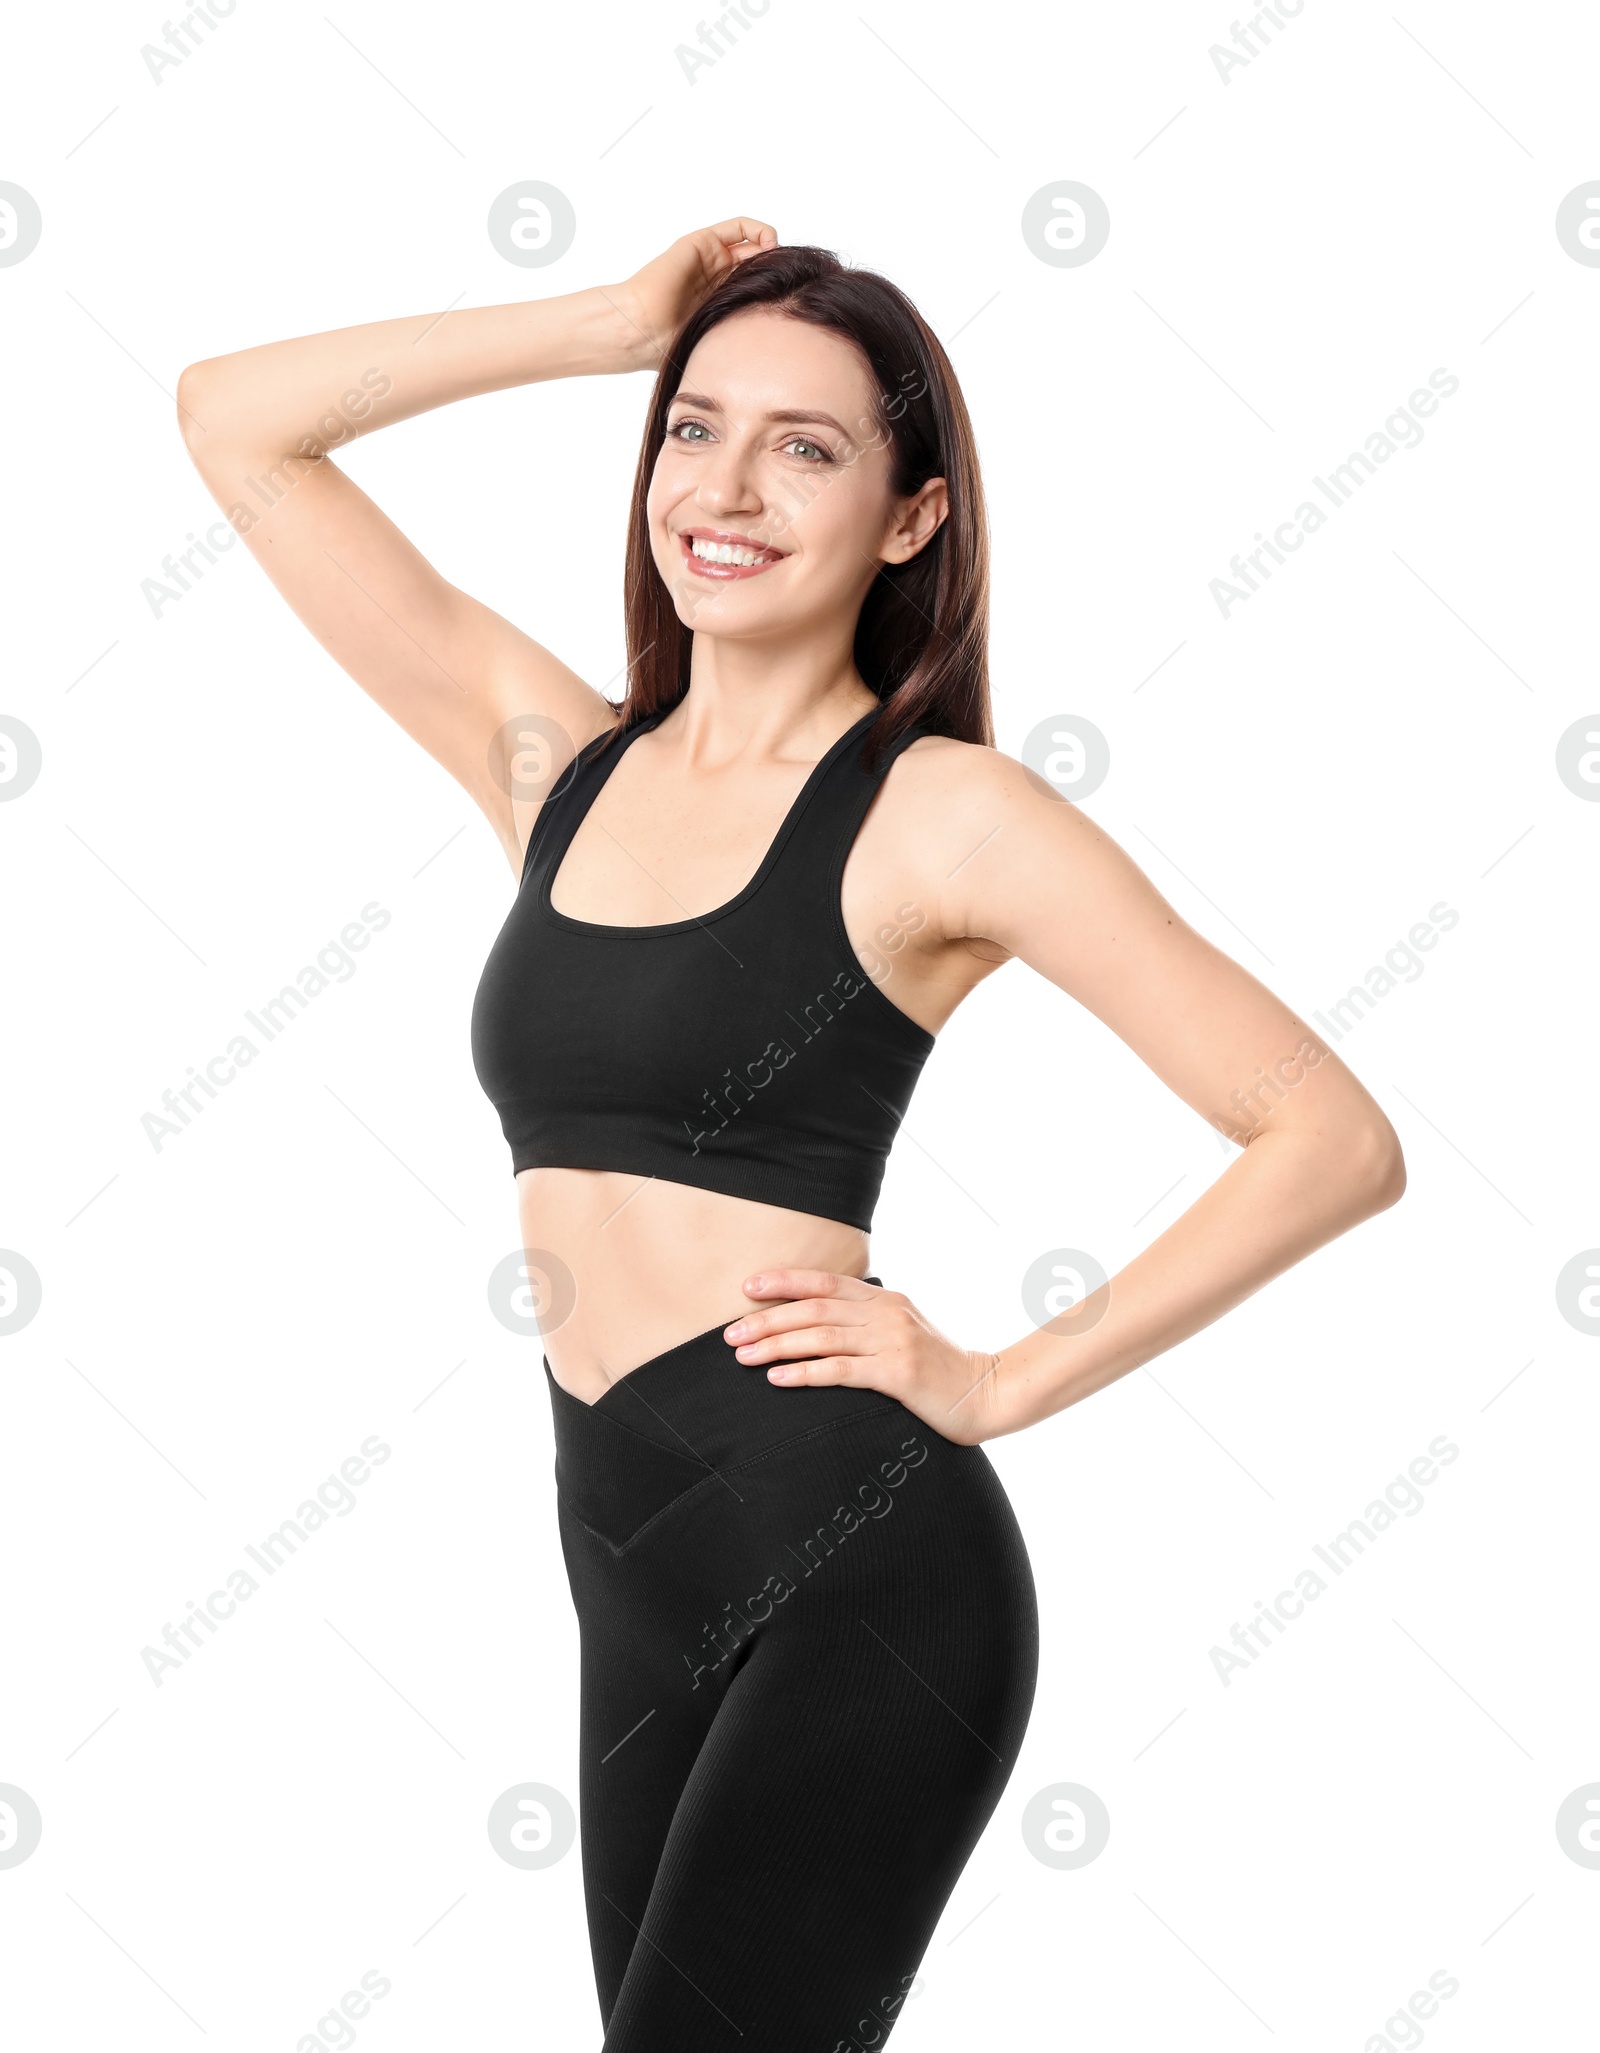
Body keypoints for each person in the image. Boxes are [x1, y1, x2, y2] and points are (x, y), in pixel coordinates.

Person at [177, 217, 1405, 2049]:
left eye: (805, 445)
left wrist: (1002, 1377)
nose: (726, 486)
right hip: (625, 1571)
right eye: (695, 427)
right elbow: (233, 422)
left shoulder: (944, 818)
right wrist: (610, 323)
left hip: (860, 1567)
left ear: (910, 516)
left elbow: (1329, 1134)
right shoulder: (557, 769)